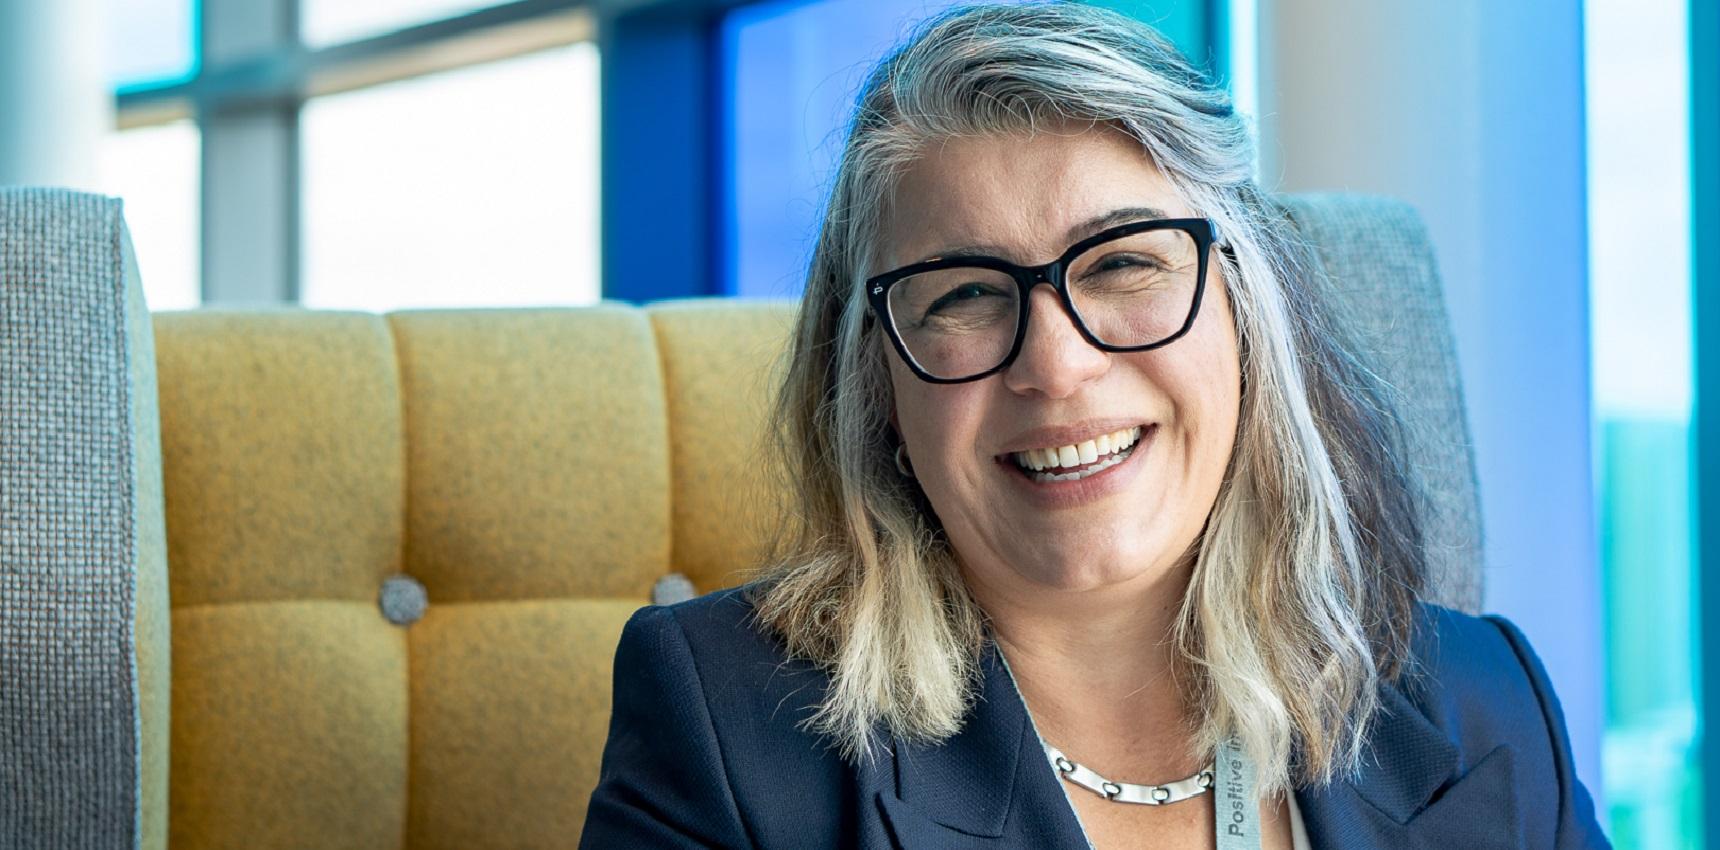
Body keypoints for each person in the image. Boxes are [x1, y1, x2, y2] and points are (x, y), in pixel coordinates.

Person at [579, 4, 1611, 848]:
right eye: (964, 295)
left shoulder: (1488, 707)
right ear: (876, 382)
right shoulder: (724, 727)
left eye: (1122, 262)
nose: (1056, 365)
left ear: (1250, 316)